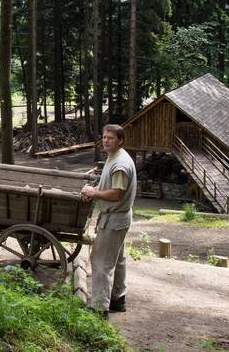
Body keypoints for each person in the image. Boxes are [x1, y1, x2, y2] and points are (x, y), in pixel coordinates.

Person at [80, 124, 137, 318]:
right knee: (117, 260)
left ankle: (99, 308)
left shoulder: (120, 164)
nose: (105, 140)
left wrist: (93, 193)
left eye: (110, 138)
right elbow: (110, 186)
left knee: (101, 261)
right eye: (104, 137)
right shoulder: (115, 157)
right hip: (119, 218)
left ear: (120, 140)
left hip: (114, 219)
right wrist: (95, 188)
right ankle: (118, 299)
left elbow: (116, 194)